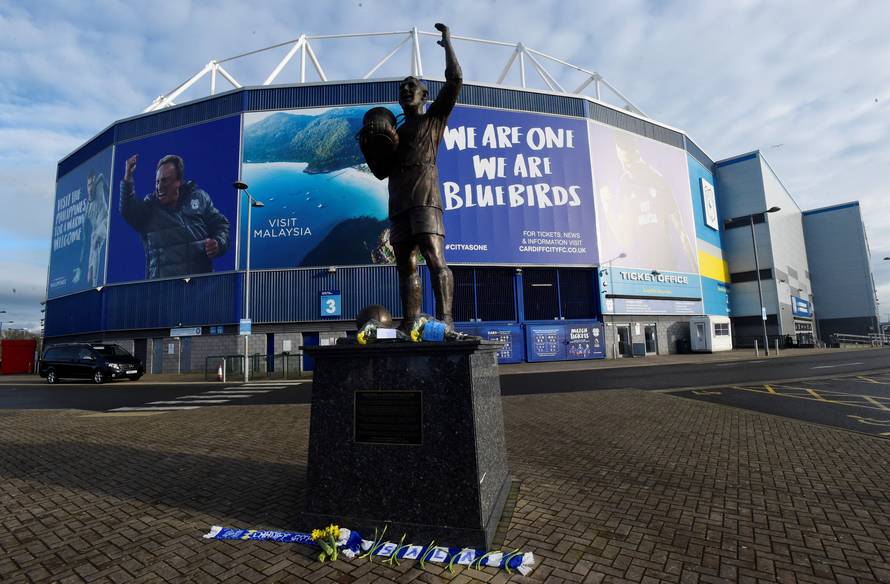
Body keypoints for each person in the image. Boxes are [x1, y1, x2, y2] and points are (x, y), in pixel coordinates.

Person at [387, 22, 462, 329]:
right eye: (402, 87)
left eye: (411, 86)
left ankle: (445, 320)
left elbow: (456, 80)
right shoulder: (395, 133)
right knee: (405, 266)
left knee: (433, 258)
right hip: (398, 204)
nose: (406, 90)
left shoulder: (433, 119)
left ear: (423, 94)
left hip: (425, 200)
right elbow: (380, 170)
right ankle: (411, 321)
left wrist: (447, 44)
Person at [120, 154, 230, 279]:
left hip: (201, 290)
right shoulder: (149, 208)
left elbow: (221, 225)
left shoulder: (199, 198)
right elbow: (127, 210)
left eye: (165, 180)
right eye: (157, 181)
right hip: (163, 291)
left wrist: (218, 243)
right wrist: (128, 176)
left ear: (178, 181)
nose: (159, 187)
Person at [80, 171, 109, 287]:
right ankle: (91, 283)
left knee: (96, 240)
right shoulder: (87, 210)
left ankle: (95, 284)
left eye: (92, 183)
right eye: (89, 185)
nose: (90, 187)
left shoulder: (99, 184)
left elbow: (103, 178)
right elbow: (85, 238)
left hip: (105, 222)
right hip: (94, 233)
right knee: (93, 246)